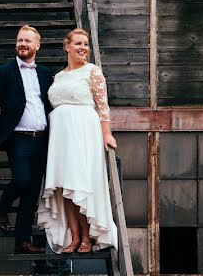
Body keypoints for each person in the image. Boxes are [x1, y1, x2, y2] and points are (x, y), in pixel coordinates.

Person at [37, 28, 118, 254]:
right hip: (60, 138)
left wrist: (107, 134)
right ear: (67, 46)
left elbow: (102, 106)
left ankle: (86, 237)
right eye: (78, 43)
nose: (83, 48)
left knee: (80, 183)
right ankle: (73, 237)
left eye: (86, 44)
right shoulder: (59, 76)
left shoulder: (92, 71)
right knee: (64, 188)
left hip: (83, 133)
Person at [0, 25, 53, 254]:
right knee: (22, 181)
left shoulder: (45, 73)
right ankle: (2, 206)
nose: (22, 44)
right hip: (18, 138)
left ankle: (22, 241)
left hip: (42, 139)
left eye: (28, 41)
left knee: (31, 192)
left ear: (37, 45)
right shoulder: (4, 71)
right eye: (20, 40)